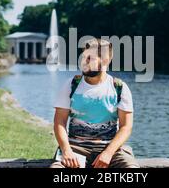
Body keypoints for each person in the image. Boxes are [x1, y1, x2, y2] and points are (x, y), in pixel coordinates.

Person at [51, 38, 139, 168]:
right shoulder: (71, 85)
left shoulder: (119, 87)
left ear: (105, 60)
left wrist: (108, 153)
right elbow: (59, 122)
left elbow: (126, 127)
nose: (83, 62)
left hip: (110, 149)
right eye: (83, 57)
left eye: (89, 58)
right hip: (75, 148)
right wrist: (66, 150)